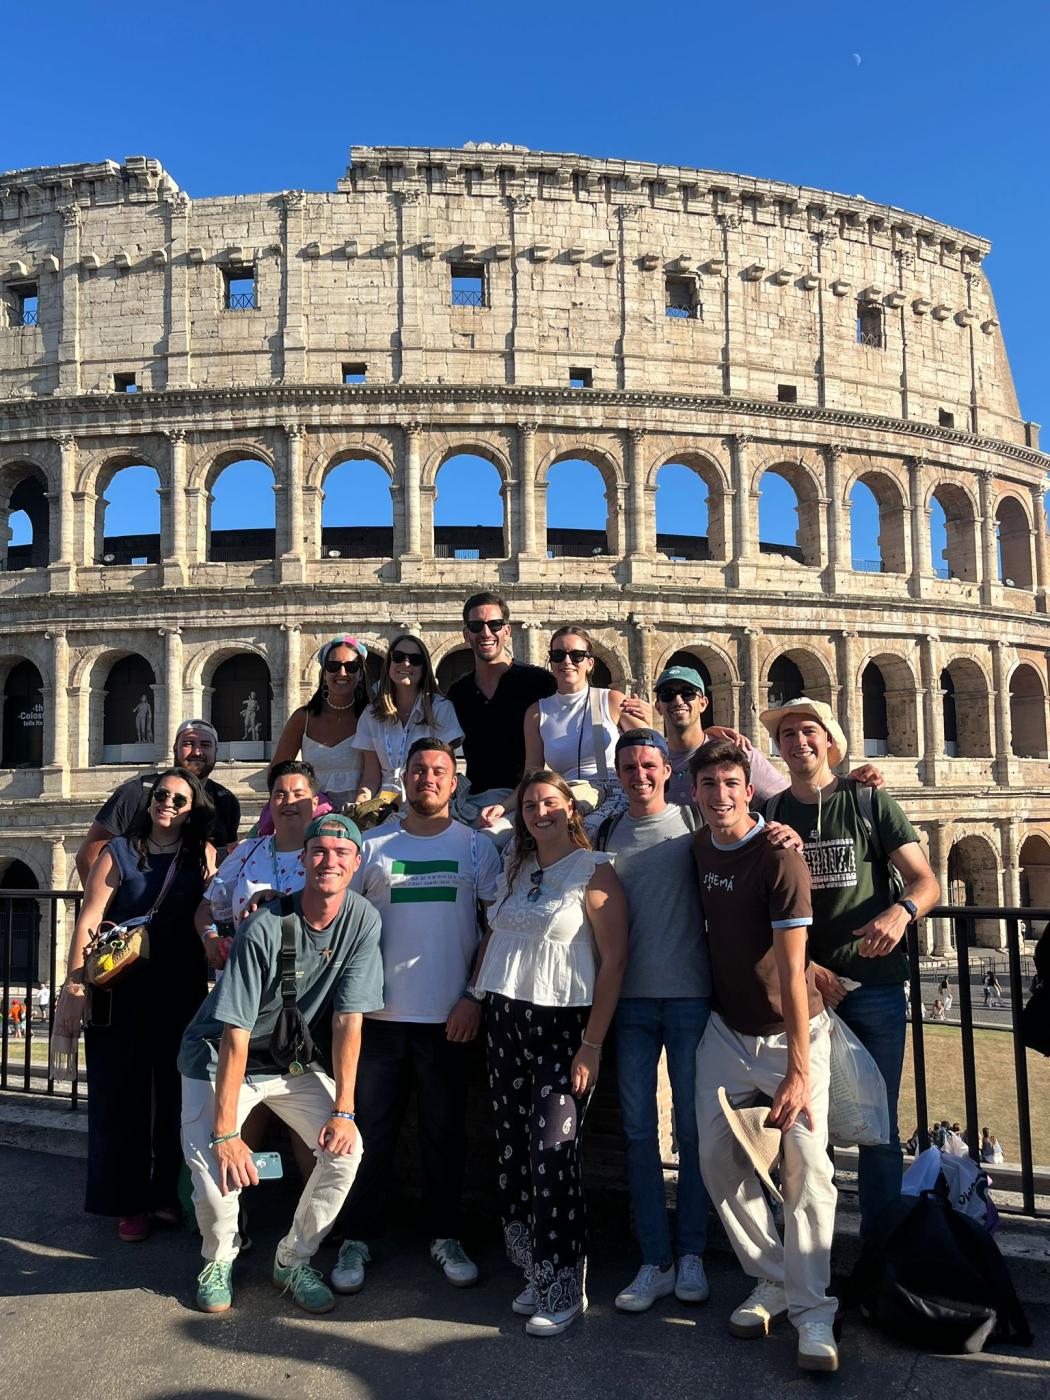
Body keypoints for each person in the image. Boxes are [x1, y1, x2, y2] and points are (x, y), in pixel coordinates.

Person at [178, 813, 384, 1316]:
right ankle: (219, 1257)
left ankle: (293, 1258)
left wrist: (345, 1110)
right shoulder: (265, 926)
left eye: (341, 853)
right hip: (216, 1056)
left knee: (346, 1150)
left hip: (284, 1061)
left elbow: (348, 1023)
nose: (329, 861)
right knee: (211, 1169)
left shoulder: (362, 920)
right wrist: (228, 1134)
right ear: (304, 859)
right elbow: (234, 1033)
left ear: (356, 863)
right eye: (319, 851)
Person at [759, 696, 940, 1241]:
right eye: (787, 734)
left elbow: (925, 882)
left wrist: (901, 912)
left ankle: (879, 1256)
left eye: (808, 731)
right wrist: (808, 966)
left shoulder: (868, 800)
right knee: (812, 1125)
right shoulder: (771, 814)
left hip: (878, 986)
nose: (798, 742)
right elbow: (759, 910)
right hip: (810, 991)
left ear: (829, 740)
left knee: (878, 1128)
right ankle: (817, 1247)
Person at [690, 739, 840, 1373]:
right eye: (709, 786)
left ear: (749, 790)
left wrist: (800, 1070)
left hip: (789, 1033)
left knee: (807, 1167)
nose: (720, 795)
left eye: (731, 783)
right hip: (726, 1030)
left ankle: (813, 1311)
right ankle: (773, 1275)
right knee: (716, 1159)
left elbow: (792, 963)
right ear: (693, 794)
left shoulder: (780, 858)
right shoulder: (697, 848)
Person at [332, 739, 501, 1295]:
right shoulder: (372, 847)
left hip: (449, 1018)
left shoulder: (477, 849)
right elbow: (346, 925)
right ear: (401, 779)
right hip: (378, 1018)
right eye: (418, 770)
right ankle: (356, 1237)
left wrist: (474, 996)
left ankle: (444, 1235)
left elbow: (496, 929)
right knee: (368, 1133)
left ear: (455, 784)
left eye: (439, 771)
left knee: (445, 1134)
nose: (428, 778)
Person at [474, 769, 628, 1336]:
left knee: (553, 1153)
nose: (540, 812)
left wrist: (592, 1045)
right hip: (506, 1020)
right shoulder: (519, 868)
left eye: (549, 802)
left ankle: (565, 1283)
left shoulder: (596, 870)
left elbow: (613, 963)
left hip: (564, 1028)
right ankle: (535, 1268)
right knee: (514, 1152)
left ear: (571, 809)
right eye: (530, 804)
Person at [55, 768, 216, 1242]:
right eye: (161, 795)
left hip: (180, 989)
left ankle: (165, 1195)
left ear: (192, 810)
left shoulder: (200, 855)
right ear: (149, 803)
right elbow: (89, 919)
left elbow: (212, 910)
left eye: (179, 799)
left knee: (175, 1097)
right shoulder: (117, 852)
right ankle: (127, 1202)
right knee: (120, 1099)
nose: (167, 803)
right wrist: (74, 985)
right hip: (119, 992)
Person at [588, 728, 711, 1313]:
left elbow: (752, 826)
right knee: (639, 1135)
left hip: (690, 996)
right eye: (628, 766)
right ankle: (653, 1259)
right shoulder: (604, 833)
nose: (638, 775)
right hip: (630, 1002)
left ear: (667, 770)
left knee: (691, 1133)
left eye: (648, 764)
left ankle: (691, 1253)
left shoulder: (694, 825)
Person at [478, 625, 648, 836]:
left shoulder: (611, 700)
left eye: (576, 656)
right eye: (558, 655)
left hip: (611, 791)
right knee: (492, 834)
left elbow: (650, 750)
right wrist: (503, 807)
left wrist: (647, 723)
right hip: (561, 796)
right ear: (551, 662)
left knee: (571, 833)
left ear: (590, 663)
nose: (567, 661)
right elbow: (531, 774)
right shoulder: (536, 713)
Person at [76, 720, 239, 884]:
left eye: (205, 745)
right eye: (188, 744)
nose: (197, 752)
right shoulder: (137, 792)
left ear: (216, 751)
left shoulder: (226, 800)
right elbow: (88, 855)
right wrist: (103, 904)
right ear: (175, 748)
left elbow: (230, 859)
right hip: (137, 907)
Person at [193, 761, 321, 968]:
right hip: (245, 974)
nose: (289, 801)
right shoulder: (247, 851)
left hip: (304, 973)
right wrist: (210, 938)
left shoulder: (326, 856)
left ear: (314, 803)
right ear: (270, 803)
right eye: (280, 794)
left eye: (298, 795)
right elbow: (206, 907)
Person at [445, 593, 556, 817]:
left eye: (494, 624)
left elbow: (578, 701)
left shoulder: (539, 683)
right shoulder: (458, 693)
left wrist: (624, 707)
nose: (486, 632)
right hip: (475, 801)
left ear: (507, 630)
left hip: (527, 799)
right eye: (476, 626)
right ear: (466, 634)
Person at [351, 635, 463, 808]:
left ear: (424, 668)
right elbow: (371, 777)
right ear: (389, 664)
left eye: (415, 659)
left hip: (426, 800)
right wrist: (359, 804)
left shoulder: (441, 709)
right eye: (398, 657)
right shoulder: (371, 714)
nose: (406, 663)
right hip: (383, 804)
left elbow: (444, 772)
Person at [654, 665, 787, 807]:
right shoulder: (650, 761)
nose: (678, 700)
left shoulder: (736, 750)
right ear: (658, 707)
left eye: (688, 693)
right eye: (667, 694)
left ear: (703, 703)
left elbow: (784, 802)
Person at [271, 636, 370, 814]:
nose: (342, 673)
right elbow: (278, 772)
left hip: (360, 817)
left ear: (361, 674)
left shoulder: (371, 718)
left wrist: (359, 808)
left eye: (351, 667)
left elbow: (376, 774)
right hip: (311, 818)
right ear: (324, 673)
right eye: (333, 667)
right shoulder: (302, 718)